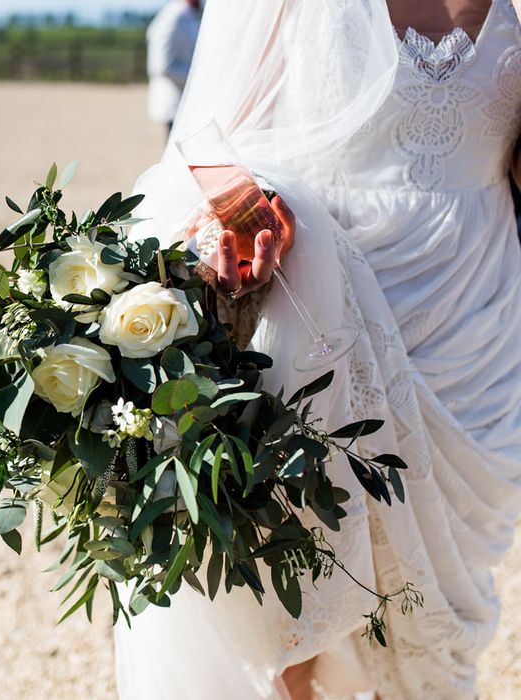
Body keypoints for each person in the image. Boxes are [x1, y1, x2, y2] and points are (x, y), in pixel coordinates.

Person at [114, 1, 521, 698]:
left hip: (474, 328)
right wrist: (249, 212)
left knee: (442, 619)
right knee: (292, 602)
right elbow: (206, 141)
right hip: (326, 316)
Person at [145, 0, 202, 138]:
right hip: (174, 97)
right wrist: (197, 77)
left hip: (182, 99)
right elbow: (161, 65)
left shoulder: (186, 15)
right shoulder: (175, 16)